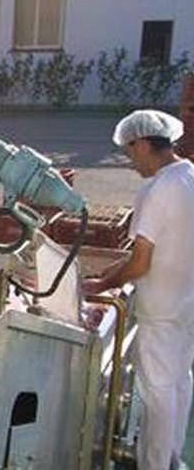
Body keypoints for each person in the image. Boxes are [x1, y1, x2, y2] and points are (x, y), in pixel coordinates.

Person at [83, 109, 194, 470]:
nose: (130, 163)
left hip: (160, 309)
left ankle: (156, 465)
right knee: (179, 383)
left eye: (130, 152)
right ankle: (174, 459)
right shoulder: (189, 175)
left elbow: (140, 262)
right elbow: (145, 252)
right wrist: (112, 273)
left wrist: (102, 284)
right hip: (186, 303)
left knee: (157, 394)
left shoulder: (157, 189)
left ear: (144, 144)